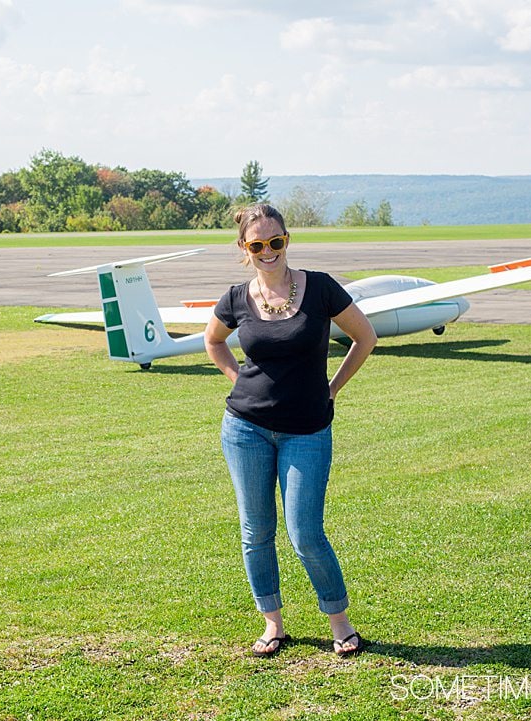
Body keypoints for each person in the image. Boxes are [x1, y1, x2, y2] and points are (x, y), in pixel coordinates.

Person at [204, 203, 378, 658]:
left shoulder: (319, 288)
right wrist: (237, 379)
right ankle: (273, 624)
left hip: (308, 430)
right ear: (244, 248)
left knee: (305, 533)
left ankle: (339, 622)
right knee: (256, 531)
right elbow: (213, 341)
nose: (268, 251)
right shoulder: (237, 298)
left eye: (275, 241)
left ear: (287, 240)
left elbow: (366, 337)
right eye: (257, 244)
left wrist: (332, 388)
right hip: (245, 428)